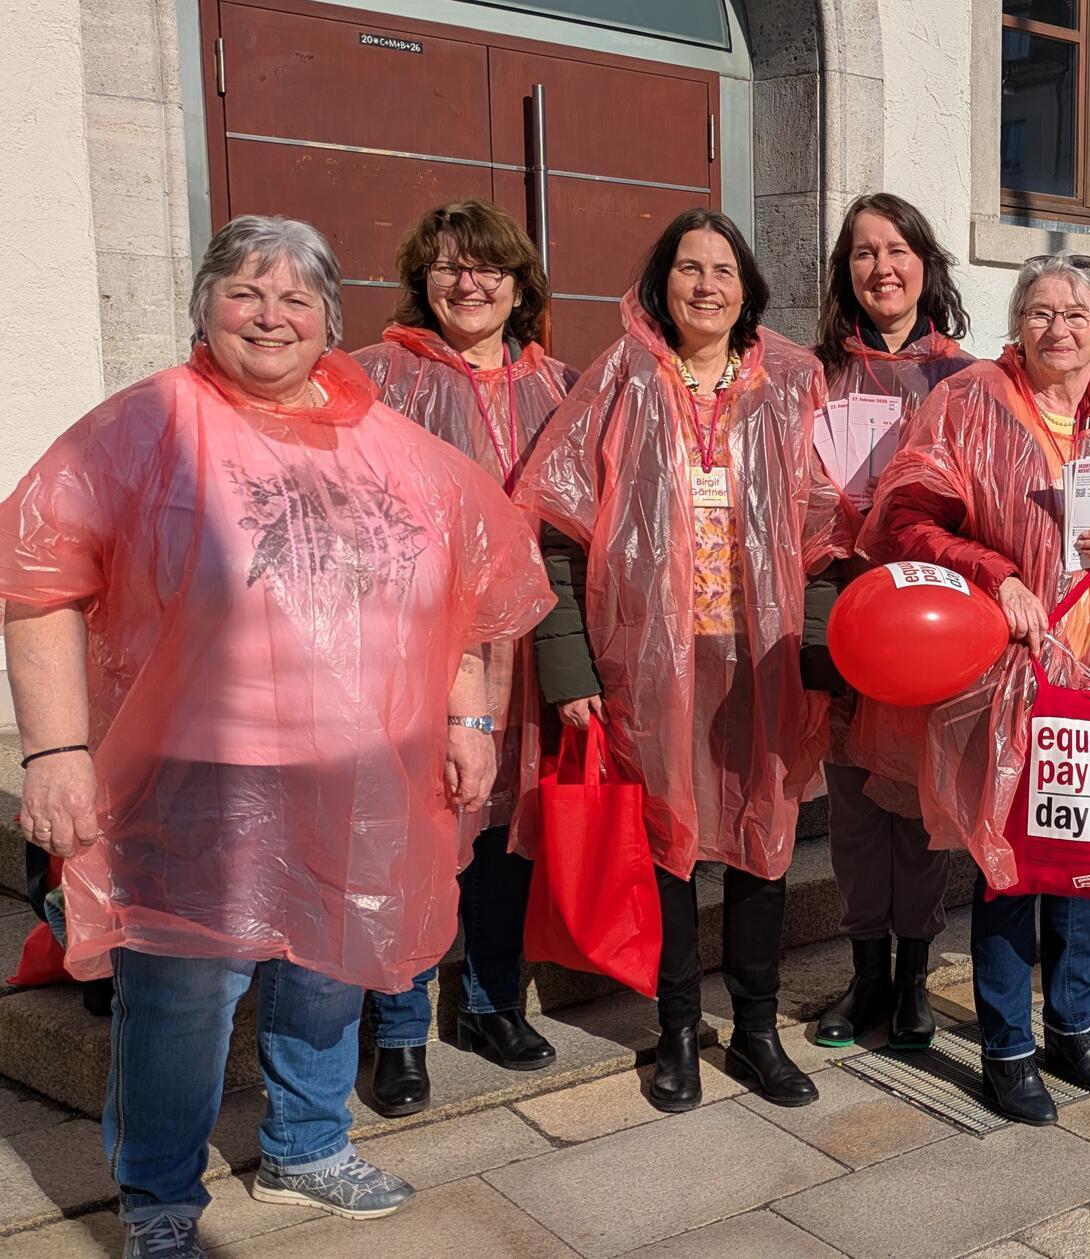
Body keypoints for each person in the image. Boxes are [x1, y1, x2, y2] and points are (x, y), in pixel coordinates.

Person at [0, 215, 552, 1257]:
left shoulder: (382, 436)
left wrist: (468, 715)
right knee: (182, 984)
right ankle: (160, 1196)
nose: (270, 315)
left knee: (330, 959)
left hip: (359, 762)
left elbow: (471, 589)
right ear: (203, 305)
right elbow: (37, 579)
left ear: (329, 321)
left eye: (296, 297)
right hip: (202, 763)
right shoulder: (151, 420)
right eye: (244, 292)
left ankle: (307, 1145)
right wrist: (56, 750)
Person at [513, 208, 851, 1113]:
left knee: (762, 846)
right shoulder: (620, 377)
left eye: (723, 271)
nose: (706, 286)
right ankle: (674, 1034)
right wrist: (570, 670)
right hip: (646, 668)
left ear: (748, 289)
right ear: (662, 282)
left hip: (761, 662)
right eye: (689, 269)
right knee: (666, 850)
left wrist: (820, 656)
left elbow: (821, 532)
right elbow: (554, 526)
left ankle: (757, 1031)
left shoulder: (788, 382)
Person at [852, 254, 1090, 1125]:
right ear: (1019, 323)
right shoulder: (967, 405)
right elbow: (908, 515)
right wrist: (995, 571)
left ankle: (1071, 1025)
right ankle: (1007, 1044)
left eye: (1078, 312)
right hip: (1006, 679)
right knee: (1009, 869)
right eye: (1041, 311)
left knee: (1083, 863)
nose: (1060, 327)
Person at [353, 198, 579, 1117]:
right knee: (419, 827)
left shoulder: (563, 383)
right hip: (423, 648)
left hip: (529, 645)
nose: (469, 282)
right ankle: (400, 1028)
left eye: (488, 266)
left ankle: (490, 999)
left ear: (520, 282)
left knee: (504, 832)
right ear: (423, 280)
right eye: (448, 266)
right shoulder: (377, 378)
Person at [804, 194, 977, 1052]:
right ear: (846, 272)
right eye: (864, 253)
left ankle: (915, 976)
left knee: (918, 806)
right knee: (854, 810)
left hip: (929, 622)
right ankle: (864, 970)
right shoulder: (810, 377)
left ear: (924, 263)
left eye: (897, 249)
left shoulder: (969, 382)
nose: (882, 268)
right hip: (838, 611)